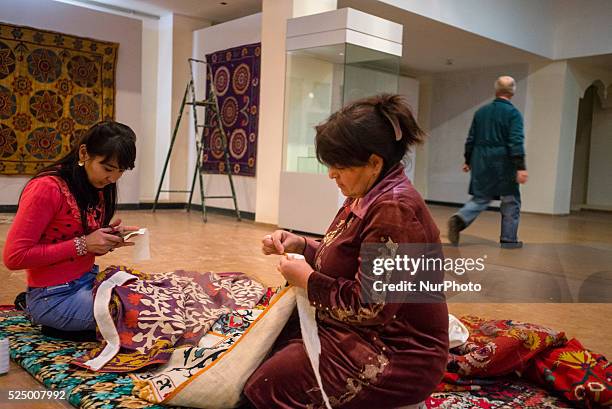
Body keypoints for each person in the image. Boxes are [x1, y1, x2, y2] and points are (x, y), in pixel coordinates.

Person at [244, 94, 449, 409]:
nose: (331, 174)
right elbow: (346, 259)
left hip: (397, 355)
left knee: (267, 387)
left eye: (339, 166)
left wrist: (309, 280)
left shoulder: (394, 210)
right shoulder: (368, 195)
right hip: (361, 333)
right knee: (261, 348)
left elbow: (371, 307)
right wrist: (302, 245)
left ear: (374, 163)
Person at [3, 121, 138, 334]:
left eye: (121, 171)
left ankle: (38, 310)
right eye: (108, 168)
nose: (113, 178)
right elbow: (14, 257)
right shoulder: (46, 189)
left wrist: (107, 238)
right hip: (53, 296)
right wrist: (84, 244)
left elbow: (77, 238)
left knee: (148, 295)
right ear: (84, 153)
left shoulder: (96, 186)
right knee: (137, 316)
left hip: (85, 281)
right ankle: (38, 311)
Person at [448, 75, 528, 249]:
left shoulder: (481, 112)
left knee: (482, 197)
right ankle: (509, 239)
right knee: (511, 199)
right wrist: (520, 167)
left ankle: (460, 218)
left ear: (496, 90)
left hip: (481, 159)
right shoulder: (513, 114)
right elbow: (515, 141)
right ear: (512, 91)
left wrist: (468, 160)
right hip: (503, 161)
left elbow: (470, 139)